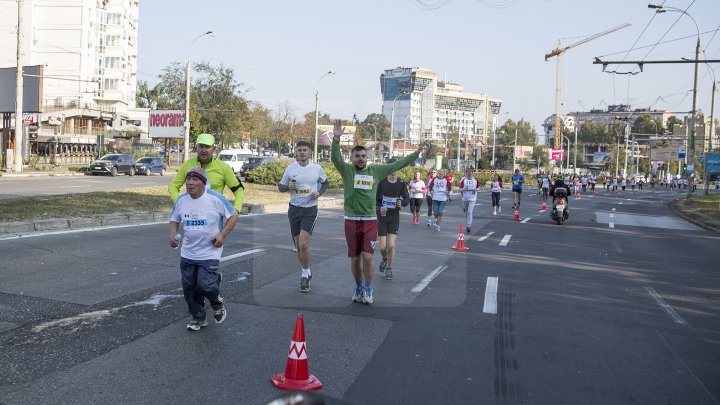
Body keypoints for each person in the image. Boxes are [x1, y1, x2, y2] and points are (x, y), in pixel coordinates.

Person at [331, 120, 421, 305]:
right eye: (357, 156)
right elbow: (335, 159)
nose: (361, 159)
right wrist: (336, 139)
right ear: (352, 158)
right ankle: (358, 288)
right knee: (355, 260)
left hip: (370, 221)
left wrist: (415, 154)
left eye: (363, 156)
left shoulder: (376, 171)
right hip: (351, 221)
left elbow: (398, 165)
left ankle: (369, 289)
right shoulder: (347, 171)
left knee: (368, 257)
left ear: (367, 157)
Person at [169, 167, 238, 331]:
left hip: (210, 251)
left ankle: (217, 303)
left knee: (205, 285)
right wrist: (172, 235)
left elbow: (233, 215)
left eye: (195, 180)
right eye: (188, 180)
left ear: (203, 182)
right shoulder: (181, 200)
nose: (190, 183)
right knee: (189, 287)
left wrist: (222, 235)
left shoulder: (215, 198)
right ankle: (198, 318)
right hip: (188, 252)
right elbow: (174, 220)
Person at [278, 140, 329, 293]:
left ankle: (305, 274)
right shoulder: (290, 168)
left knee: (304, 244)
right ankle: (306, 270)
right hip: (294, 209)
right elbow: (280, 187)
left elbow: (326, 183)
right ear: (296, 152)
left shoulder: (317, 168)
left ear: (309, 152)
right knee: (298, 246)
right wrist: (288, 187)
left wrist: (319, 193)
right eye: (299, 150)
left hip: (310, 210)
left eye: (304, 150)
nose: (302, 153)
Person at [168, 133, 245, 213]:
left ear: (213, 148)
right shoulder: (187, 165)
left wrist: (236, 209)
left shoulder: (223, 167)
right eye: (201, 146)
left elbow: (238, 190)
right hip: (191, 215)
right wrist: (179, 204)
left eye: (207, 147)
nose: (204, 150)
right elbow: (173, 186)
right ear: (196, 147)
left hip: (214, 217)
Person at [376, 171, 409, 281]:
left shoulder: (401, 183)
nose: (394, 170)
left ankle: (389, 269)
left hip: (394, 217)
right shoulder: (382, 182)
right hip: (382, 217)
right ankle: (385, 259)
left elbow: (407, 199)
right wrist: (380, 207)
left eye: (397, 167)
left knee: (391, 245)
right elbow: (375, 199)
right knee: (382, 247)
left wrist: (402, 203)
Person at [459, 168, 479, 233]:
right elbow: (459, 189)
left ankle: (468, 225)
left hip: (472, 198)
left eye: (470, 172)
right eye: (468, 172)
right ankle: (468, 223)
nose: (469, 174)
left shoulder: (475, 180)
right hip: (465, 198)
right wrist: (464, 189)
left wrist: (475, 190)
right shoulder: (464, 180)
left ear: (472, 173)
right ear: (466, 173)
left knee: (470, 211)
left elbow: (478, 187)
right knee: (467, 212)